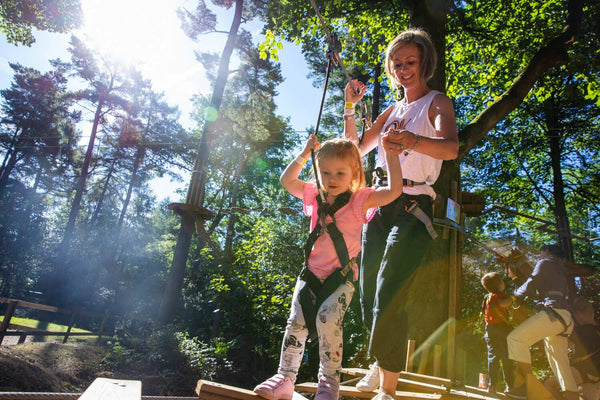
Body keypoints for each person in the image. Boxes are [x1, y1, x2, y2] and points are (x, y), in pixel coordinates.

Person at [343, 28, 458, 398]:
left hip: (413, 205)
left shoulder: (438, 103)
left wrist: (411, 141)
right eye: (397, 64)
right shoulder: (392, 110)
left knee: (390, 288)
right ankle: (381, 362)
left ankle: (387, 390)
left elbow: (451, 148)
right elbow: (355, 150)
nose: (404, 69)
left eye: (410, 62)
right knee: (367, 291)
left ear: (424, 63)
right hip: (378, 203)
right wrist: (349, 107)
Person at [253, 134, 404, 400]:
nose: (331, 179)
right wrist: (304, 153)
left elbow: (393, 192)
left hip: (340, 278)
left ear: (354, 172)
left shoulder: (360, 200)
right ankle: (285, 378)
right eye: (325, 172)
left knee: (328, 319)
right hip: (310, 275)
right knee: (296, 323)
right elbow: (286, 181)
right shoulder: (314, 195)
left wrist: (390, 156)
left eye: (339, 173)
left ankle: (329, 383)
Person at [505, 244, 578, 400]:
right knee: (560, 363)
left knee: (515, 339)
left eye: (540, 253)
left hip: (553, 315)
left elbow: (530, 285)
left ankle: (526, 386)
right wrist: (516, 278)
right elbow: (535, 282)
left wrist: (514, 294)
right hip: (565, 318)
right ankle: (572, 395)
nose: (538, 257)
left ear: (547, 252)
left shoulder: (545, 262)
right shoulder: (561, 269)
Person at [544, 296, 600, 400]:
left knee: (548, 385)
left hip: (584, 372)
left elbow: (562, 344)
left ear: (578, 313)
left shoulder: (580, 331)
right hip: (593, 378)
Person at [480, 272, 515, 394]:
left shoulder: (487, 297)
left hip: (489, 329)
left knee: (493, 357)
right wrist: (513, 298)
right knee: (506, 358)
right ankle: (510, 386)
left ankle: (492, 385)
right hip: (501, 329)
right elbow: (503, 303)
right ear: (498, 285)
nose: (503, 283)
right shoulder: (496, 296)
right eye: (502, 281)